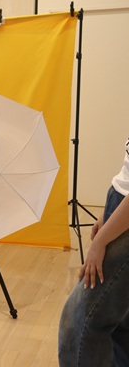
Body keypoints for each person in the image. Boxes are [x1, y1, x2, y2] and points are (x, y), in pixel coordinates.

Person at [58, 138, 129, 366]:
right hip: (121, 206)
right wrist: (107, 212)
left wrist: (101, 240)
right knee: (121, 324)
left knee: (81, 321)